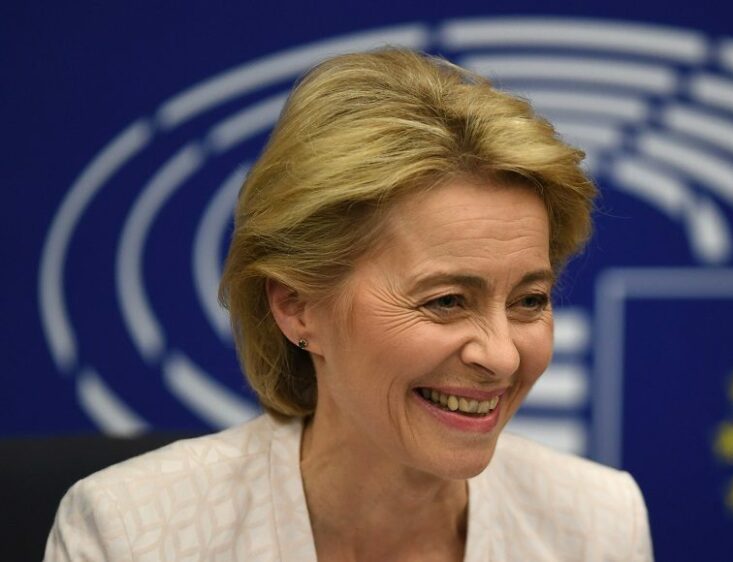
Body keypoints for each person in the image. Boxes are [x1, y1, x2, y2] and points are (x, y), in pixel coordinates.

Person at [45, 48, 653, 561]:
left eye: (529, 300)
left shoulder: (596, 525)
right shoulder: (130, 533)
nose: (502, 357)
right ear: (297, 306)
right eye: (446, 301)